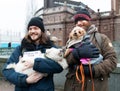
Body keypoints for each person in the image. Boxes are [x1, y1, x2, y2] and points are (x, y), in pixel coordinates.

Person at [2, 17, 63, 91]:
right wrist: (25, 80)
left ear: (42, 31)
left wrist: (35, 64)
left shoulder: (50, 47)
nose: (32, 31)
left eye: (35, 28)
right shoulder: (21, 48)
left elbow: (59, 66)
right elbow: (6, 70)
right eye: (30, 29)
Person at [64, 9, 117, 91]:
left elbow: (112, 61)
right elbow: (63, 60)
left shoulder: (102, 38)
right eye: (76, 21)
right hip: (73, 86)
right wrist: (75, 54)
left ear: (89, 21)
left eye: (82, 20)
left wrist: (93, 70)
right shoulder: (71, 40)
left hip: (96, 87)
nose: (79, 23)